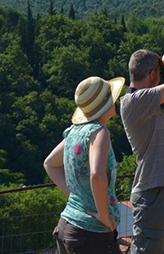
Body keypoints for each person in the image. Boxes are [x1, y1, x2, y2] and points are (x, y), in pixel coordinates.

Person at [45, 76, 129, 254]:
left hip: (67, 225)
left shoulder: (75, 132)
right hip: (92, 234)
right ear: (106, 103)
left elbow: (50, 164)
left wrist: (75, 197)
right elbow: (97, 175)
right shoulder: (99, 132)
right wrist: (104, 215)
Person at [119, 50, 164, 254]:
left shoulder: (147, 105)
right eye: (160, 72)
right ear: (151, 73)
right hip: (152, 191)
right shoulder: (134, 101)